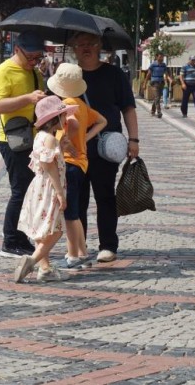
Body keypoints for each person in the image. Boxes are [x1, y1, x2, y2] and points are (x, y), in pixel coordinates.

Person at [72, 32, 139, 263]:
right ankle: (78, 247)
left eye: (91, 43)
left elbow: (128, 108)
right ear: (74, 49)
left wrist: (134, 140)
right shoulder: (69, 76)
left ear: (100, 46)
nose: (86, 48)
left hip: (106, 147)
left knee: (105, 197)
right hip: (74, 148)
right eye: (81, 44)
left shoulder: (114, 74)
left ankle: (108, 245)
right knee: (76, 199)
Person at [0, 31, 47, 258]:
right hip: (13, 140)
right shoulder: (3, 72)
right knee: (19, 190)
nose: (34, 62)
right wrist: (28, 98)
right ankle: (10, 241)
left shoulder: (34, 72)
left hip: (35, 138)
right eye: (30, 57)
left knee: (31, 191)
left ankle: (22, 238)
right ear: (17, 50)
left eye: (38, 57)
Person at [13, 95, 77, 283]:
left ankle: (45, 268)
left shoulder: (42, 137)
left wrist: (62, 147)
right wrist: (59, 192)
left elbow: (49, 162)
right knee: (55, 230)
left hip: (40, 185)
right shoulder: (49, 138)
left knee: (42, 229)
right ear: (53, 119)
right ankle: (31, 261)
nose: (65, 119)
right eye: (62, 115)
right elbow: (49, 167)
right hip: (49, 186)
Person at [50, 63, 107, 270]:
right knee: (74, 211)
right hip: (81, 162)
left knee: (70, 213)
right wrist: (85, 138)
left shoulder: (66, 105)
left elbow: (72, 124)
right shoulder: (81, 104)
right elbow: (102, 120)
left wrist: (64, 140)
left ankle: (72, 255)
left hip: (69, 164)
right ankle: (82, 252)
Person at [142, 52, 171, 118]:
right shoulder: (153, 64)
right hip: (154, 83)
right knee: (157, 98)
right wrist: (145, 83)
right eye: (160, 57)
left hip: (161, 83)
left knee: (157, 98)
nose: (162, 58)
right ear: (156, 57)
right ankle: (159, 112)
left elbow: (166, 73)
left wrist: (169, 79)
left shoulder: (163, 65)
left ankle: (152, 110)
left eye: (162, 57)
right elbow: (148, 74)